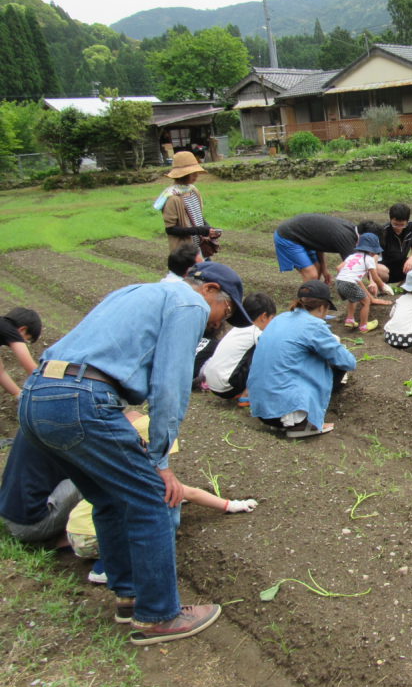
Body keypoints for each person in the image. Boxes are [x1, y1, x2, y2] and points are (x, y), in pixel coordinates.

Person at [12, 261, 250, 645]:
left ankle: (129, 596)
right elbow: (170, 386)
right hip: (81, 398)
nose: (219, 322)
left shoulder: (137, 291)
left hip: (39, 393)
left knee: (107, 499)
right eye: (225, 310)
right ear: (209, 290)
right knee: (154, 499)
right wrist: (160, 461)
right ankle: (159, 616)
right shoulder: (188, 304)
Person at [67, 411, 257, 585]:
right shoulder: (144, 475)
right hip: (94, 538)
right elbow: (189, 492)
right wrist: (231, 505)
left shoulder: (116, 467)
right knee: (144, 528)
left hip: (74, 532)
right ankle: (105, 569)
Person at [247, 280, 357, 438]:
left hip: (261, 409)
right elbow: (348, 362)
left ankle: (299, 414)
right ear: (322, 307)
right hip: (285, 414)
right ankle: (306, 422)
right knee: (336, 364)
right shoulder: (314, 325)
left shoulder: (280, 318)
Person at [0, 432, 81, 544]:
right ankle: (78, 537)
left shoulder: (33, 419)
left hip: (7, 514)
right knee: (96, 479)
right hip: (30, 526)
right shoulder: (74, 429)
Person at [201, 293, 277, 405]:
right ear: (264, 316)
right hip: (227, 387)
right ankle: (247, 394)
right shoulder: (256, 332)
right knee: (266, 355)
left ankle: (241, 390)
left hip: (212, 383)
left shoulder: (237, 328)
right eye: (272, 319)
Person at [155, 151, 222, 262]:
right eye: (192, 173)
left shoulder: (193, 191)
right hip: (185, 253)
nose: (196, 176)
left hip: (201, 248)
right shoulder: (172, 197)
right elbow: (171, 229)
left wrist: (209, 229)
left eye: (196, 172)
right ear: (183, 174)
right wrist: (200, 230)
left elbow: (198, 217)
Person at [274, 213, 359, 285]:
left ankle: (313, 297)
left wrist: (324, 269)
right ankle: (305, 302)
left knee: (318, 270)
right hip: (288, 236)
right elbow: (351, 271)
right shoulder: (346, 239)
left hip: (304, 237)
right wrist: (367, 297)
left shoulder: (352, 230)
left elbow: (319, 243)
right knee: (311, 275)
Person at [335, 233, 390, 333]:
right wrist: (383, 286)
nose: (375, 254)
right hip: (349, 283)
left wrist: (347, 275)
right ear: (371, 250)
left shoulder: (352, 256)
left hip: (339, 281)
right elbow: (374, 276)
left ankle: (350, 319)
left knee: (352, 298)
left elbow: (338, 268)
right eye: (374, 251)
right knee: (366, 302)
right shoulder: (368, 259)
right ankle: (364, 325)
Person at [379, 203, 412, 284]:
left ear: (407, 221)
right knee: (378, 269)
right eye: (395, 224)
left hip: (403, 266)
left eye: (402, 225)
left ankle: (405, 284)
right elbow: (374, 257)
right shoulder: (383, 231)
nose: (398, 228)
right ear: (390, 219)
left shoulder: (411, 227)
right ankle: (382, 286)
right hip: (386, 267)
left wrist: (411, 259)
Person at [0, 307, 42, 399]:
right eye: (27, 339)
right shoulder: (11, 331)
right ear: (22, 330)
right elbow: (30, 367)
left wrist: (19, 394)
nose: (24, 342)